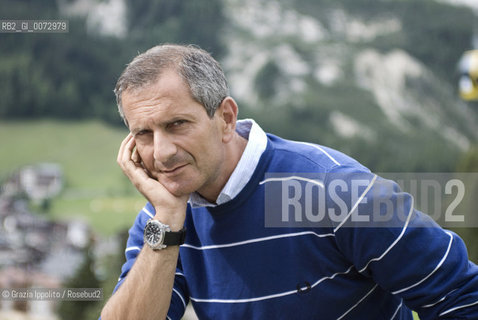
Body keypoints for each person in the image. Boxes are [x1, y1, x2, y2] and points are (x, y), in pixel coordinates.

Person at [100, 44, 478, 320]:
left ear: (227, 119)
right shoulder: (164, 221)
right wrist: (165, 223)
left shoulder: (336, 190)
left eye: (176, 124)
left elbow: (462, 296)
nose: (162, 152)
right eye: (144, 134)